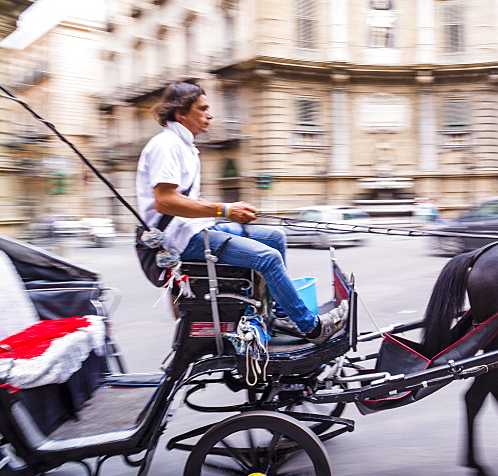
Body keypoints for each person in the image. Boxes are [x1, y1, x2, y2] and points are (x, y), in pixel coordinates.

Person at [136, 82, 346, 345]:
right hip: (179, 239)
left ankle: (281, 314)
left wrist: (228, 211)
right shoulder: (167, 145)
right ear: (181, 113)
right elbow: (165, 201)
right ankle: (312, 328)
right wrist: (225, 209)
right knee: (267, 258)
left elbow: (187, 199)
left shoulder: (185, 146)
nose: (209, 115)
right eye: (202, 109)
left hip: (195, 228)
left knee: (275, 237)